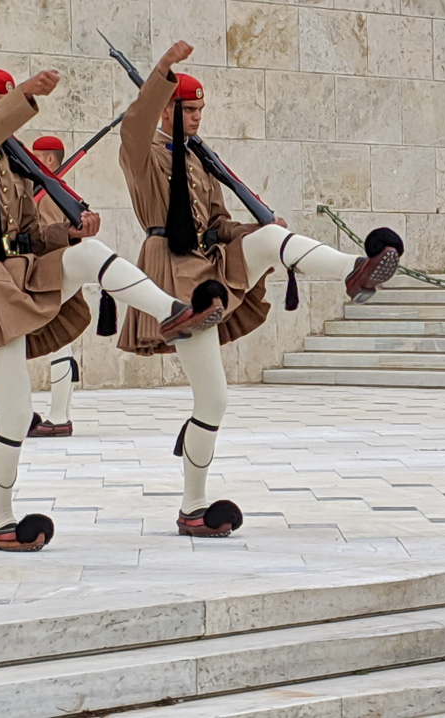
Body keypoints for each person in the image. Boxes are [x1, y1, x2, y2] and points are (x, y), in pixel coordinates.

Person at [0, 67, 225, 551]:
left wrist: (66, 234)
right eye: (0, 107)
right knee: (16, 412)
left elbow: (29, 231)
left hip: (21, 270)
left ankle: (172, 309)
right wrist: (22, 97)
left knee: (88, 254)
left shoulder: (15, 164)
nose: (11, 122)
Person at [118, 41, 404, 538]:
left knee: (271, 237)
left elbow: (222, 225)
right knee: (213, 400)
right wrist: (162, 72)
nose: (197, 118)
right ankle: (193, 507)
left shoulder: (202, 162)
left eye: (201, 109)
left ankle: (355, 270)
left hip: (211, 263)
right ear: (167, 108)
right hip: (175, 277)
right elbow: (134, 124)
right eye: (188, 109)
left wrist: (260, 230)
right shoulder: (143, 155)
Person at [28, 135, 78, 438]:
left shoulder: (48, 194)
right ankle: (62, 414)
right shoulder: (49, 190)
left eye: (37, 156)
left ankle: (59, 418)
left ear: (48, 160)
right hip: (58, 268)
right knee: (62, 341)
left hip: (49, 271)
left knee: (58, 341)